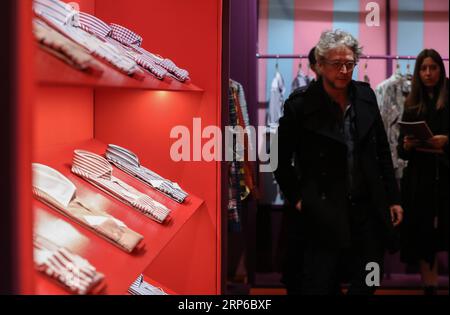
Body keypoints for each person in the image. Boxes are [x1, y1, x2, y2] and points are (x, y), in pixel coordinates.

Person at [274, 29, 404, 295]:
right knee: (320, 285)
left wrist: (393, 198)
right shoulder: (300, 105)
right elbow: (280, 160)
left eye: (349, 64)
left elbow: (381, 152)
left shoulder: (366, 97)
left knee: (368, 281)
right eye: (336, 64)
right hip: (322, 212)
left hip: (366, 209)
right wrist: (299, 199)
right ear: (320, 65)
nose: (344, 70)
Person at [397, 49, 449, 295]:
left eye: (433, 67)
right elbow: (401, 150)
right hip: (420, 179)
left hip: (446, 178)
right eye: (423, 68)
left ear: (441, 69)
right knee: (423, 236)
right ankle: (429, 287)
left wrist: (446, 141)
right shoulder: (412, 102)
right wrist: (406, 145)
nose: (428, 73)